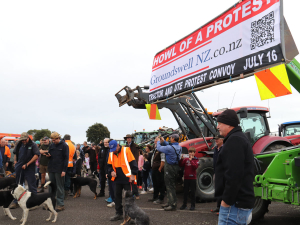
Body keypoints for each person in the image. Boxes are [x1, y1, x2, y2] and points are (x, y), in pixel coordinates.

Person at [215, 109, 255, 225]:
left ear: (228, 124)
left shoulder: (234, 140)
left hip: (234, 206)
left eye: (219, 123)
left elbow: (234, 175)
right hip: (237, 204)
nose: (218, 127)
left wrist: (226, 201)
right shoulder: (238, 138)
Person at [107, 140, 138, 221]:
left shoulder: (126, 150)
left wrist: (133, 175)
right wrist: (111, 171)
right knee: (117, 197)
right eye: (112, 150)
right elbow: (109, 166)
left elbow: (134, 164)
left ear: (118, 145)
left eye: (114, 149)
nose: (113, 151)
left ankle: (131, 217)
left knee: (129, 198)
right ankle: (119, 214)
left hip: (127, 178)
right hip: (117, 179)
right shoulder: (111, 153)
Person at [9, 132, 40, 209]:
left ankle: (34, 203)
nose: (23, 141)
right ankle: (16, 201)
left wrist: (27, 164)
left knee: (31, 184)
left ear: (28, 138)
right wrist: (15, 162)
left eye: (24, 140)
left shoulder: (33, 145)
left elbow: (36, 155)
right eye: (22, 140)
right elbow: (15, 153)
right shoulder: (19, 143)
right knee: (18, 183)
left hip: (29, 166)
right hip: (19, 165)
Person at [156, 134, 182, 211]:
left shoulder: (169, 148)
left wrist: (158, 141)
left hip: (169, 167)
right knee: (171, 185)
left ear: (173, 139)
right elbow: (170, 146)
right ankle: (170, 202)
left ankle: (173, 204)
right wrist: (163, 141)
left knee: (170, 186)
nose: (170, 139)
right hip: (176, 167)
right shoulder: (179, 147)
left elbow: (159, 148)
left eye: (171, 138)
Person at [47, 132, 69, 212]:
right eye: (52, 140)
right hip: (52, 168)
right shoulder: (52, 145)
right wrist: (48, 155)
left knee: (60, 187)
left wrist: (64, 170)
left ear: (58, 138)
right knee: (51, 187)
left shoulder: (64, 146)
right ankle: (50, 204)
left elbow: (66, 159)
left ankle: (60, 205)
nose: (53, 141)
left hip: (59, 170)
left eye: (54, 140)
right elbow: (50, 154)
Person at [211, 135, 224, 213]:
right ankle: (218, 206)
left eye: (217, 139)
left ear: (222, 140)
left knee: (222, 190)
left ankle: (222, 209)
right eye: (215, 139)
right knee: (217, 189)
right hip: (216, 172)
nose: (216, 140)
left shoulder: (224, 148)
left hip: (222, 173)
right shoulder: (216, 148)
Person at [124, 134, 140, 199]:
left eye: (130, 138)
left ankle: (136, 194)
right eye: (127, 138)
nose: (129, 139)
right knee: (128, 180)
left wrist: (134, 165)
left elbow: (136, 157)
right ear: (126, 139)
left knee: (134, 180)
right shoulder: (125, 147)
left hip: (133, 164)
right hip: (126, 165)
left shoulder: (135, 146)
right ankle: (130, 193)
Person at [63, 134, 76, 199]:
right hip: (70, 164)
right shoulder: (73, 145)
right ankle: (66, 192)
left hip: (63, 164)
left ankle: (62, 193)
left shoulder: (64, 144)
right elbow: (74, 156)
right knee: (68, 178)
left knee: (62, 179)